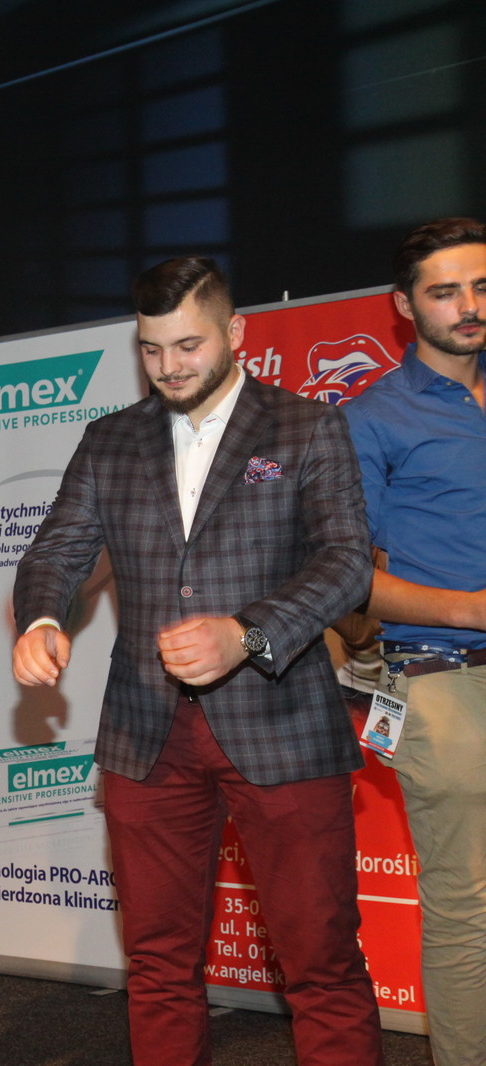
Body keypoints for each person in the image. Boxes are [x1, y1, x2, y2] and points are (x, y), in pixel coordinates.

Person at [11, 256, 384, 1066]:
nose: (169, 367)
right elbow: (56, 551)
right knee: (157, 963)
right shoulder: (110, 440)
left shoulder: (305, 427)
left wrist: (245, 634)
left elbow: (346, 563)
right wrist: (41, 617)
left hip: (283, 726)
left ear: (235, 332)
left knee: (320, 961)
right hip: (146, 734)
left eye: (188, 346)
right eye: (151, 350)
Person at [342, 217, 486, 1066]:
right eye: (445, 291)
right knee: (468, 903)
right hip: (437, 677)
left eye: (481, 286)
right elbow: (345, 579)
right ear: (404, 306)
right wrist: (471, 610)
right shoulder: (370, 418)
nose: (469, 305)